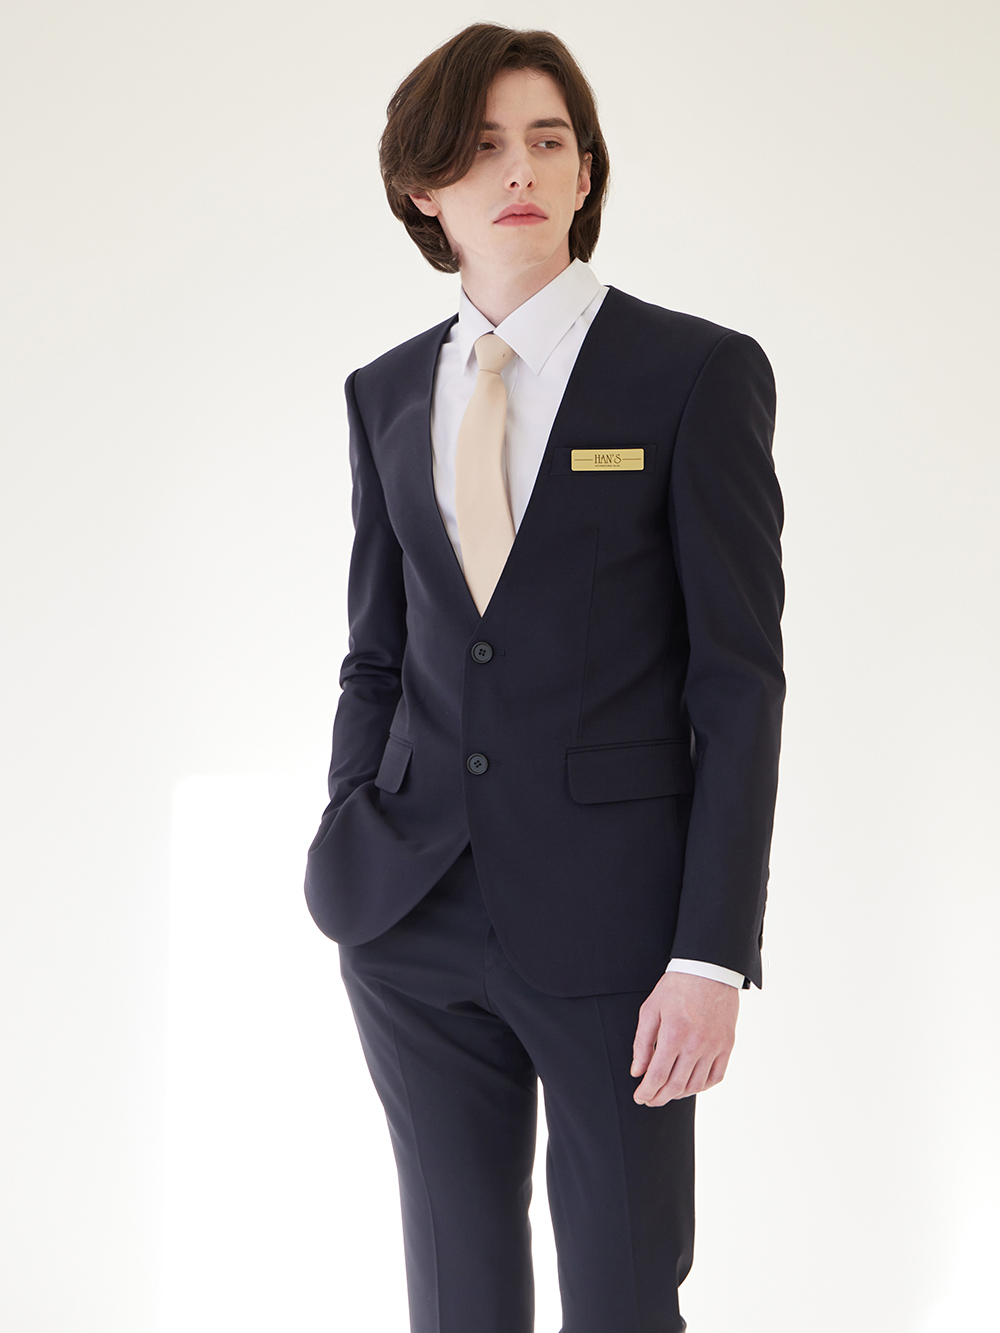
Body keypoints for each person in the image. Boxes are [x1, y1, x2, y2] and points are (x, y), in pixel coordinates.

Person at [304, 21, 784, 1333]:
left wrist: (711, 953)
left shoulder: (693, 374)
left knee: (623, 1298)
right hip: (408, 915)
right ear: (424, 188)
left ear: (584, 172)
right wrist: (350, 818)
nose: (519, 167)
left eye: (548, 139)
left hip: (618, 933)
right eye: (481, 146)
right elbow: (376, 652)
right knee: (458, 1300)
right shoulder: (385, 394)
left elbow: (739, 683)